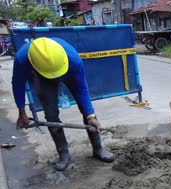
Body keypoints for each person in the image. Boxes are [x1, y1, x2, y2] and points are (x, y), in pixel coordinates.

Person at [12, 37, 114, 171]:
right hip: (43, 77)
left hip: (67, 70)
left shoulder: (73, 58)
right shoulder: (22, 59)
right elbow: (18, 84)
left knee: (88, 113)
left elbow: (82, 89)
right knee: (51, 114)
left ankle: (98, 149)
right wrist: (22, 112)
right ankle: (64, 154)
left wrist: (91, 115)